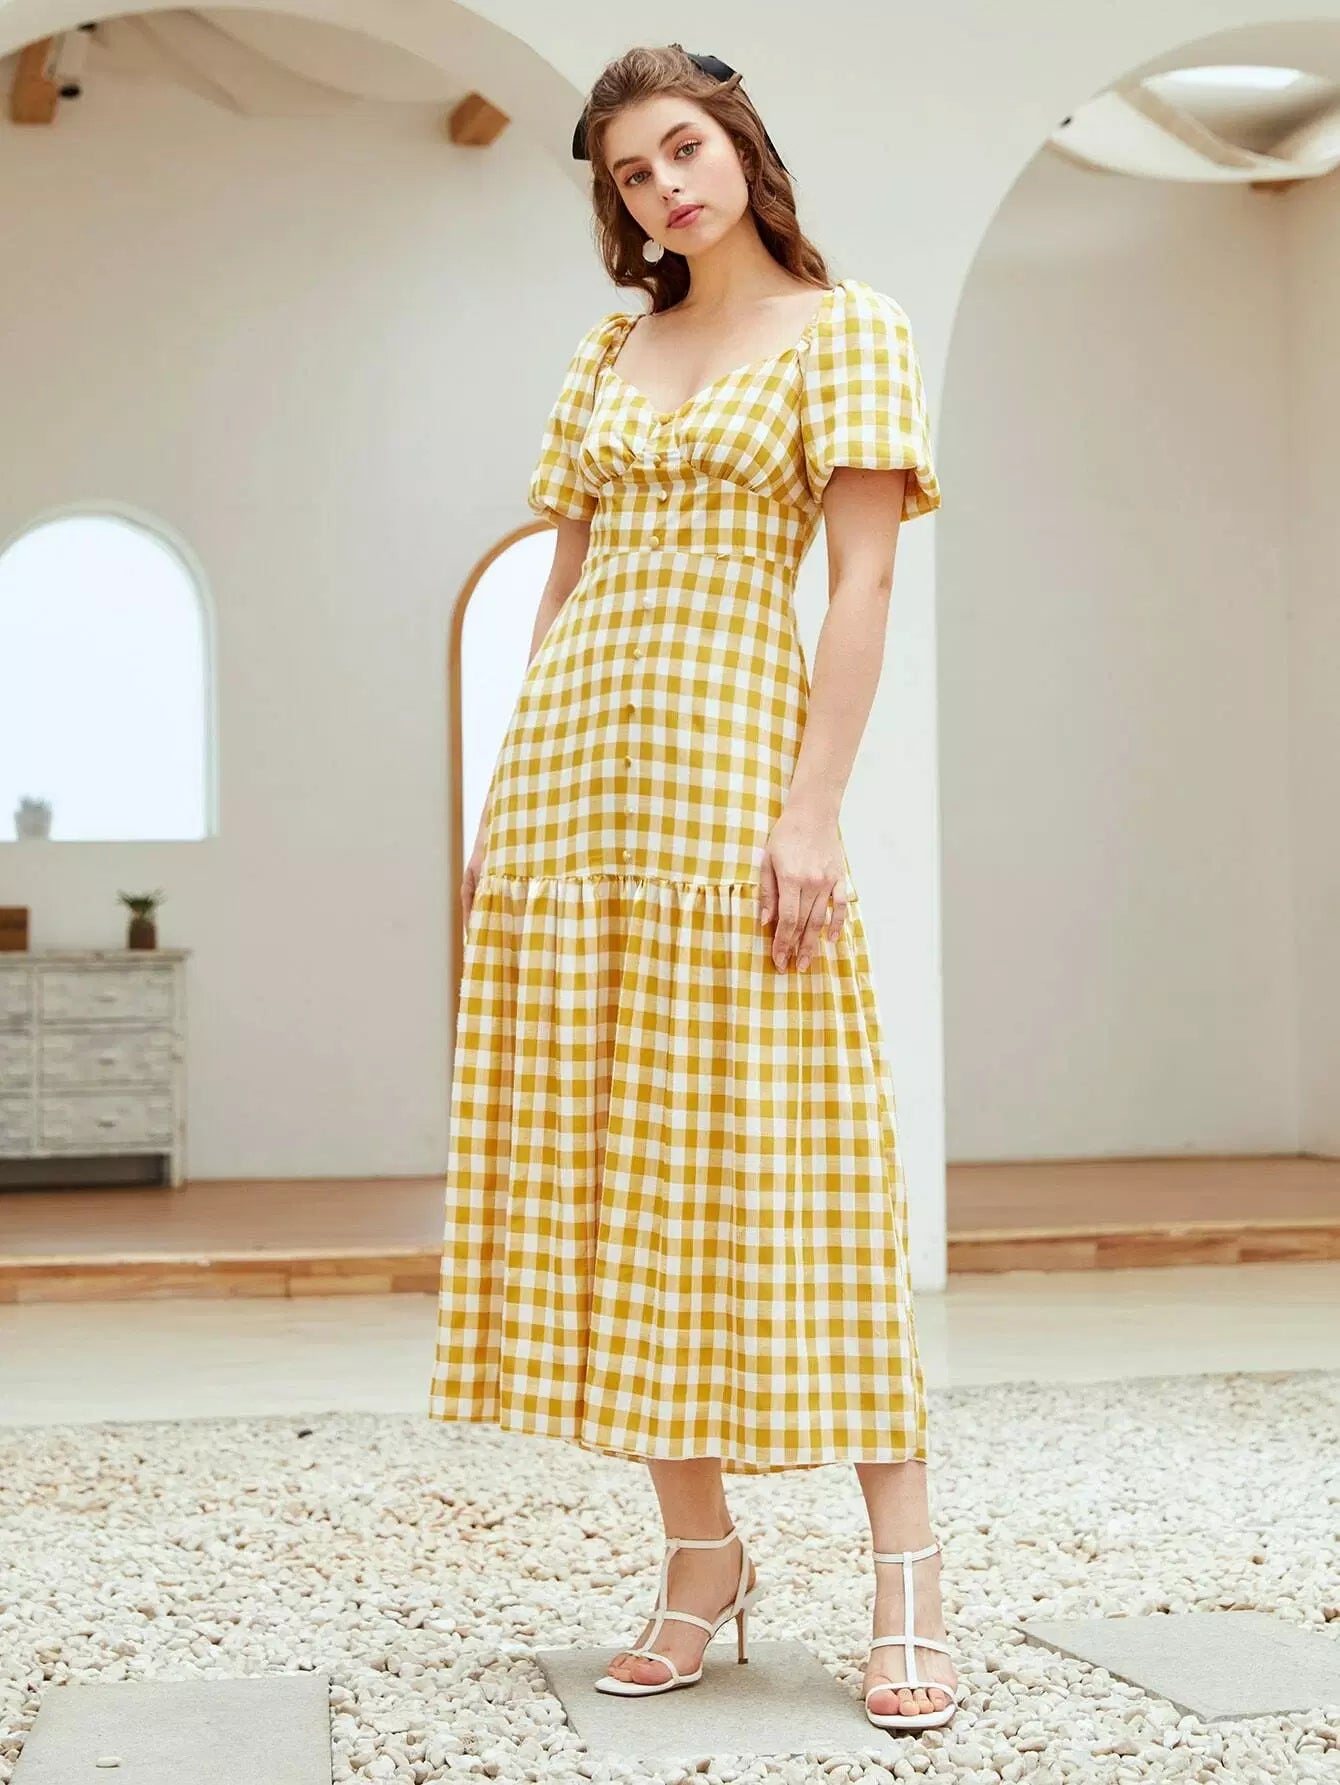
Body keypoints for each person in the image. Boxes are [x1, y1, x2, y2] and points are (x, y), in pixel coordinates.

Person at [429, 42, 963, 1733]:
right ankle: (699, 1556)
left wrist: (814, 813)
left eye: (683, 147)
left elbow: (862, 583)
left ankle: (906, 1577)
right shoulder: (610, 347)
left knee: (807, 1157)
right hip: (577, 787)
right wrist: (506, 796)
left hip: (735, 782)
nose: (666, 186)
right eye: (632, 173)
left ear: (740, 143)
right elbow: (565, 582)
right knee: (620, 1167)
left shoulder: (849, 329)